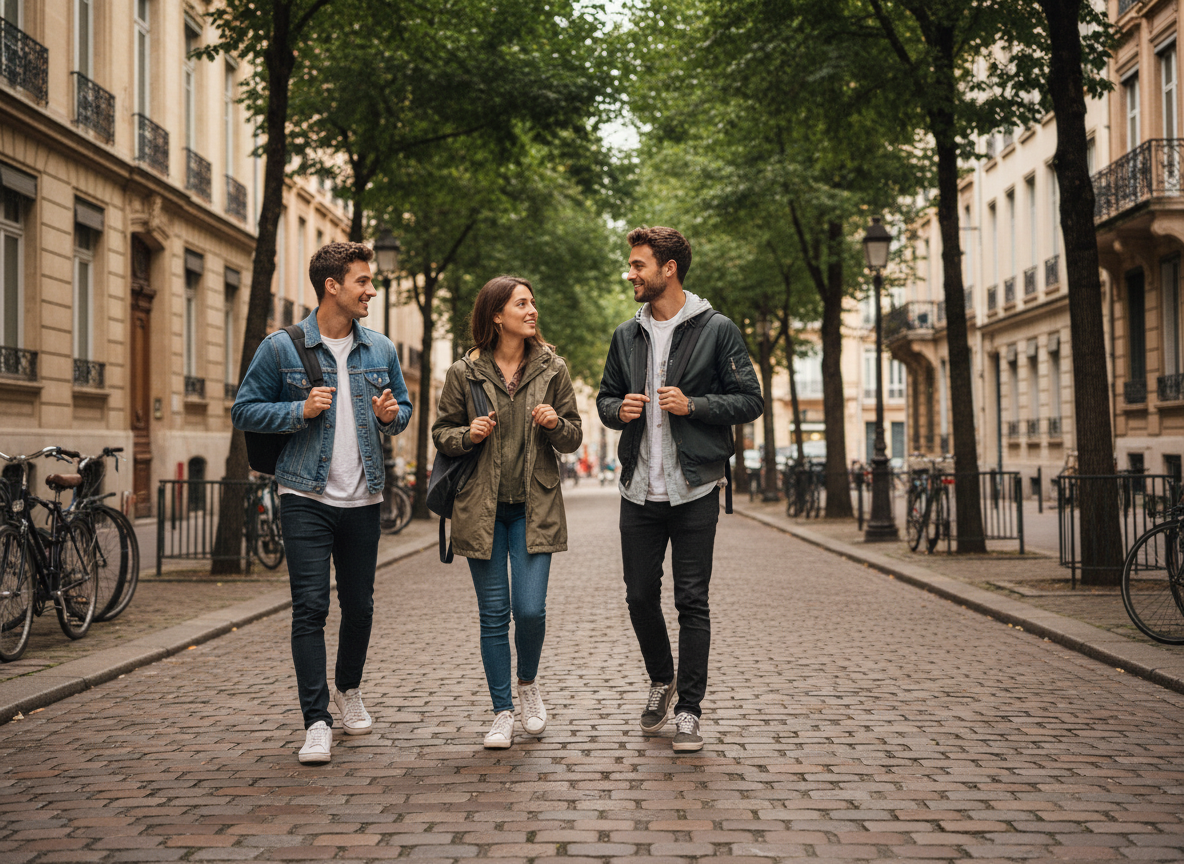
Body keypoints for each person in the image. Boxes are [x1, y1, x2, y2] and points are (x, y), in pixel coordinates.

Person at [232, 241, 412, 765]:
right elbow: (245, 409)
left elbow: (400, 408)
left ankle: (348, 688)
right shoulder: (281, 348)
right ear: (332, 286)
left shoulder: (380, 349)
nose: (371, 290)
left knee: (360, 607)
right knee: (310, 607)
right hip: (304, 495)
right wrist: (297, 409)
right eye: (362, 281)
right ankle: (316, 721)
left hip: (364, 497)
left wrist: (388, 416)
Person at [596, 226, 763, 752]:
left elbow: (749, 399)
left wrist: (695, 405)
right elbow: (604, 399)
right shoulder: (627, 334)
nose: (631, 273)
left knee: (692, 601)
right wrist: (616, 411)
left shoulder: (717, 329)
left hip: (695, 488)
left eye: (639, 264)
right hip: (639, 489)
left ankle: (689, 709)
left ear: (668, 268)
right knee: (640, 595)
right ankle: (661, 677)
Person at [432, 276, 582, 749]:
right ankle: (502, 711)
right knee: (494, 615)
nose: (532, 309)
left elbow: (574, 435)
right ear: (497, 315)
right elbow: (442, 433)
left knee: (530, 610)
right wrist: (467, 435)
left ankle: (528, 686)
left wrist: (557, 423)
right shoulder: (465, 372)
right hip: (481, 507)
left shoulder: (552, 368)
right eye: (522, 303)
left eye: (533, 302)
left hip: (534, 507)